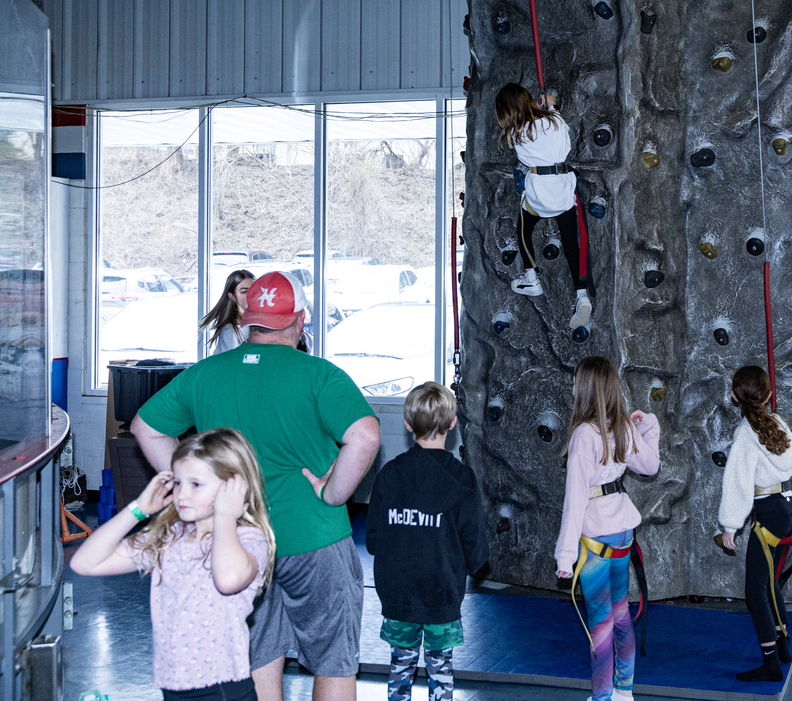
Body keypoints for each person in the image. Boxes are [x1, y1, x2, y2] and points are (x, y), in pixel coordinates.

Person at [132, 271, 381, 701]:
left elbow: (145, 428)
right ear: (300, 320)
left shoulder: (205, 375)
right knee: (334, 661)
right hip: (315, 538)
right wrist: (334, 493)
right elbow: (366, 435)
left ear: (246, 319)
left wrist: (194, 491)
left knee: (259, 656)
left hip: (240, 541)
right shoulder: (321, 376)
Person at [70, 428, 275, 701]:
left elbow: (227, 580)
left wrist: (225, 514)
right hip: (173, 686)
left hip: (221, 689)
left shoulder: (248, 540)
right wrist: (138, 508)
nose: (182, 495)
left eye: (196, 484)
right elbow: (85, 563)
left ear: (233, 490)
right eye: (178, 482)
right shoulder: (170, 537)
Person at [366, 382, 489, 701]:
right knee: (441, 670)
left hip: (399, 593)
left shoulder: (389, 475)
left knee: (400, 668)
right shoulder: (463, 479)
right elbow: (473, 540)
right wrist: (476, 565)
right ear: (452, 423)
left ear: (407, 424)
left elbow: (374, 539)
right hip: (442, 594)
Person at [554, 356, 661, 701]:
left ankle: (602, 697)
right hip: (622, 533)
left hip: (596, 536)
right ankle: (624, 690)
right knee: (619, 613)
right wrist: (649, 427)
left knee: (600, 620)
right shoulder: (622, 427)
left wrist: (566, 556)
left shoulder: (584, 435)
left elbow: (575, 502)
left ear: (583, 389)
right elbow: (650, 465)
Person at [716, 365, 792, 683]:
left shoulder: (745, 433)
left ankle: (770, 664)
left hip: (770, 515)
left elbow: (737, 481)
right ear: (768, 394)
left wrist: (729, 525)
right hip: (790, 509)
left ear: (734, 396)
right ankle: (781, 644)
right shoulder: (779, 423)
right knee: (769, 582)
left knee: (755, 590)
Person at [495, 83, 594, 334]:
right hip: (563, 190)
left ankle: (531, 278)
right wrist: (551, 105)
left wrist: (546, 107)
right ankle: (581, 294)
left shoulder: (518, 134)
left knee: (523, 231)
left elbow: (530, 144)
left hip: (539, 193)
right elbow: (562, 141)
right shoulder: (555, 121)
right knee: (571, 244)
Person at [201, 269, 256, 355]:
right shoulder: (230, 330)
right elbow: (232, 364)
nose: (250, 295)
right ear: (232, 296)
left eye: (254, 290)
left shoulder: (260, 323)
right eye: (244, 292)